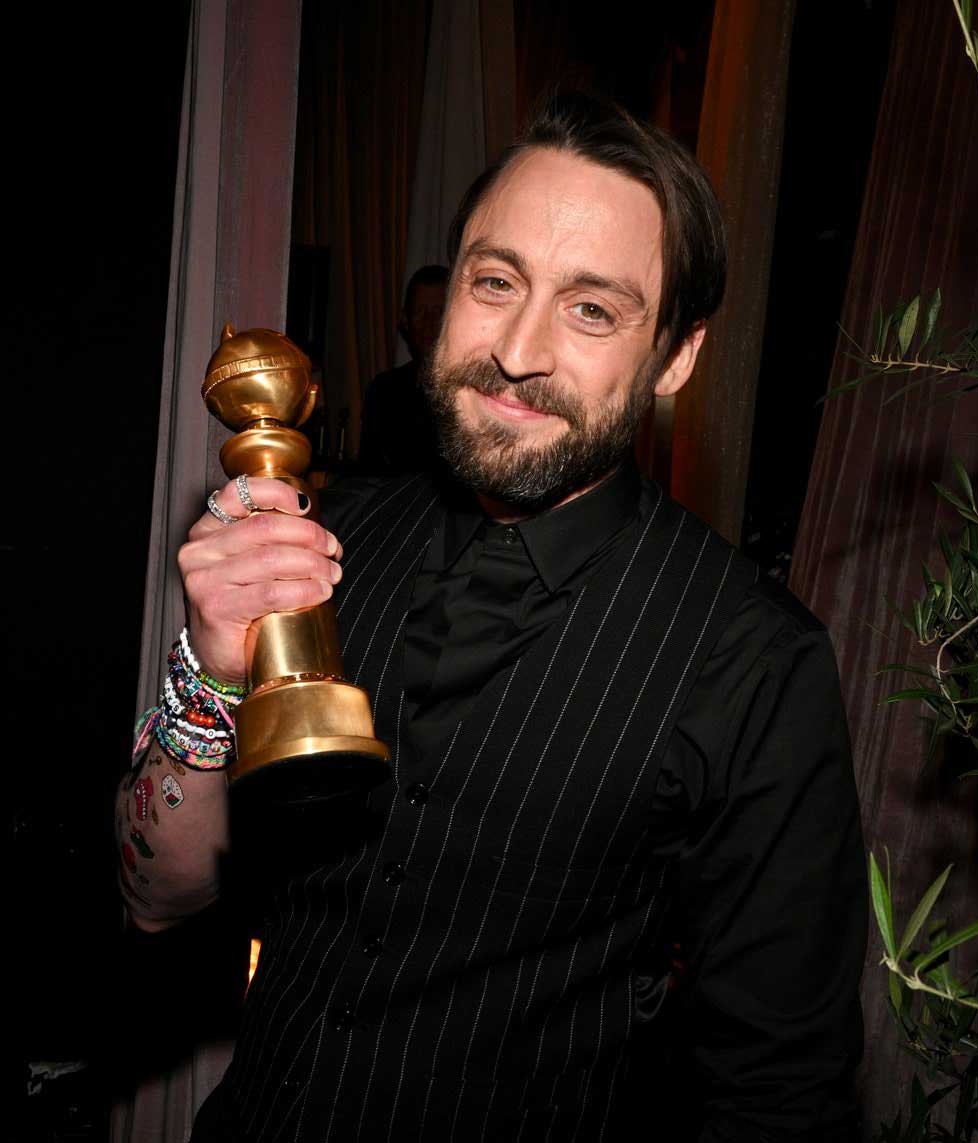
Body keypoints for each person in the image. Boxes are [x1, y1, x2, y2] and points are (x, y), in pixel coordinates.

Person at [118, 93, 868, 1142]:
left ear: (678, 358)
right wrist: (209, 665)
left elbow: (779, 1091)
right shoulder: (325, 540)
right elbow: (159, 898)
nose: (517, 350)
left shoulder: (753, 662)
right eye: (494, 281)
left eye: (591, 309)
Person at [357, 264, 448, 475]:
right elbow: (369, 473)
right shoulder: (383, 391)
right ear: (405, 319)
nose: (429, 323)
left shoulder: (475, 394)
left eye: (439, 312)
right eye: (420, 311)